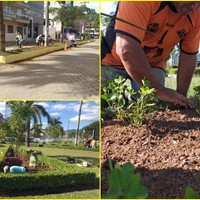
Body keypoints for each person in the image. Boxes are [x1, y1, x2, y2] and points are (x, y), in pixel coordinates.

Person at [102, 2, 200, 109]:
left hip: (152, 64)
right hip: (112, 60)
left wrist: (181, 98)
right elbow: (126, 49)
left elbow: (189, 55)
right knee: (101, 98)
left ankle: (128, 97)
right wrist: (159, 90)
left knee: (150, 102)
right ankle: (121, 98)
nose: (195, 8)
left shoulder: (196, 14)